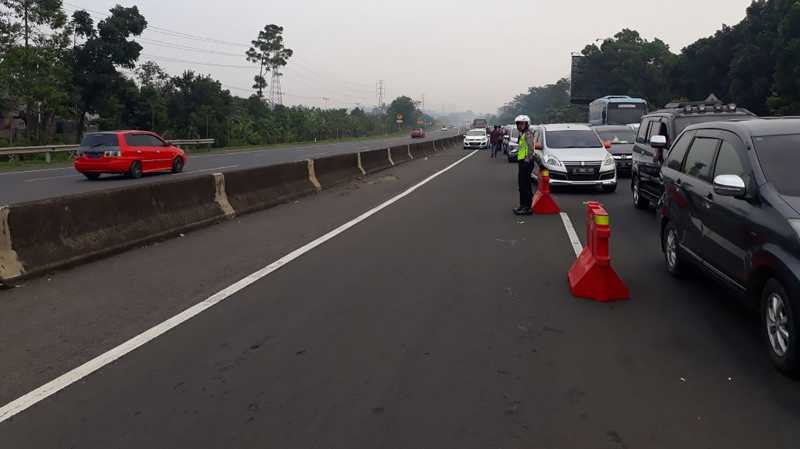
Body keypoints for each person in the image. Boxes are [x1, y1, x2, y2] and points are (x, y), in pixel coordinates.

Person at [513, 115, 536, 215]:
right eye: (518, 124)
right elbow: (522, 147)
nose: (519, 125)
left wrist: (527, 160)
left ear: (527, 124)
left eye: (521, 123)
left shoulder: (528, 134)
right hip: (522, 162)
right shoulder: (522, 134)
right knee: (521, 186)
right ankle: (522, 205)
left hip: (527, 162)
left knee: (526, 186)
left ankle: (527, 207)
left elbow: (531, 148)